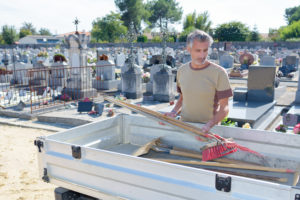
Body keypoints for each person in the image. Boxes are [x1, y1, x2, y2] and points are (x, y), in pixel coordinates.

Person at [165, 29, 232, 133]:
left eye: (205, 50)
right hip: (184, 128)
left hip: (209, 131)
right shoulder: (182, 71)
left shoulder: (219, 73)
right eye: (198, 50)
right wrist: (173, 112)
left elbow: (225, 108)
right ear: (188, 49)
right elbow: (183, 98)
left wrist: (209, 125)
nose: (202, 55)